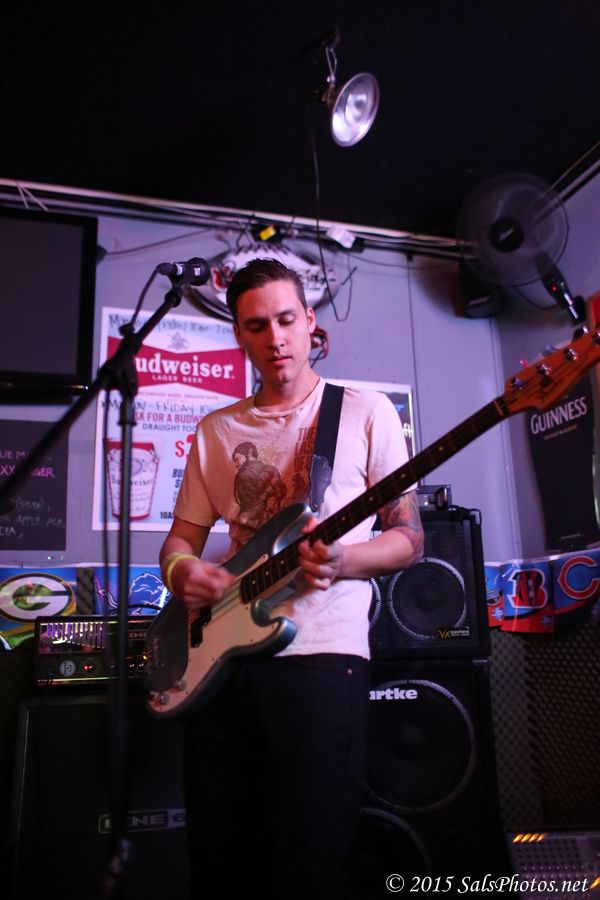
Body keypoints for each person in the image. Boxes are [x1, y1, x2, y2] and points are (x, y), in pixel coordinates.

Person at [159, 258, 424, 900]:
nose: (274, 337)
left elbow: (409, 538)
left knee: (310, 862)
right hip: (220, 665)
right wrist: (183, 572)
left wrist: (342, 561)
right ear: (239, 336)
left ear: (309, 322)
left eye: (285, 320)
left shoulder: (364, 412)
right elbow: (181, 541)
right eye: (257, 326)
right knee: (221, 861)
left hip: (321, 657)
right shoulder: (215, 432)